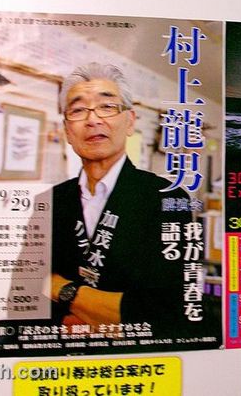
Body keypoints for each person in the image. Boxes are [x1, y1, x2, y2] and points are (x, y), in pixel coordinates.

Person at [47, 63, 193, 335]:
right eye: (78, 110)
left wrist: (61, 289)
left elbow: (164, 311)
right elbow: (26, 293)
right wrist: (104, 313)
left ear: (129, 121)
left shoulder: (168, 198)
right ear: (67, 130)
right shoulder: (50, 201)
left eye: (107, 107)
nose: (93, 120)